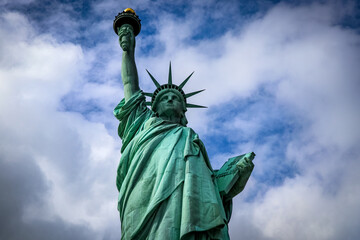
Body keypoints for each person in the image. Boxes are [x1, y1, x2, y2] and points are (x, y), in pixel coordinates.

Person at [114, 23, 251, 240]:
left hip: (187, 201)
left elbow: (207, 186)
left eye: (175, 98)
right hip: (143, 193)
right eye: (163, 98)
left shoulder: (190, 138)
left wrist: (231, 178)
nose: (170, 99)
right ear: (154, 107)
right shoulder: (141, 122)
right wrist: (128, 51)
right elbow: (130, 82)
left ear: (183, 110)